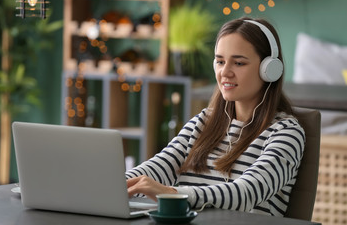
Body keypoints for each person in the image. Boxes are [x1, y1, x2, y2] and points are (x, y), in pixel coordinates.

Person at [126, 17, 305, 217]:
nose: (225, 72)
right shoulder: (204, 122)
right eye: (220, 61)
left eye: (238, 63)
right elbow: (160, 166)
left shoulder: (286, 133)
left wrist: (172, 193)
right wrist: (118, 185)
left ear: (269, 69)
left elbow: (247, 193)